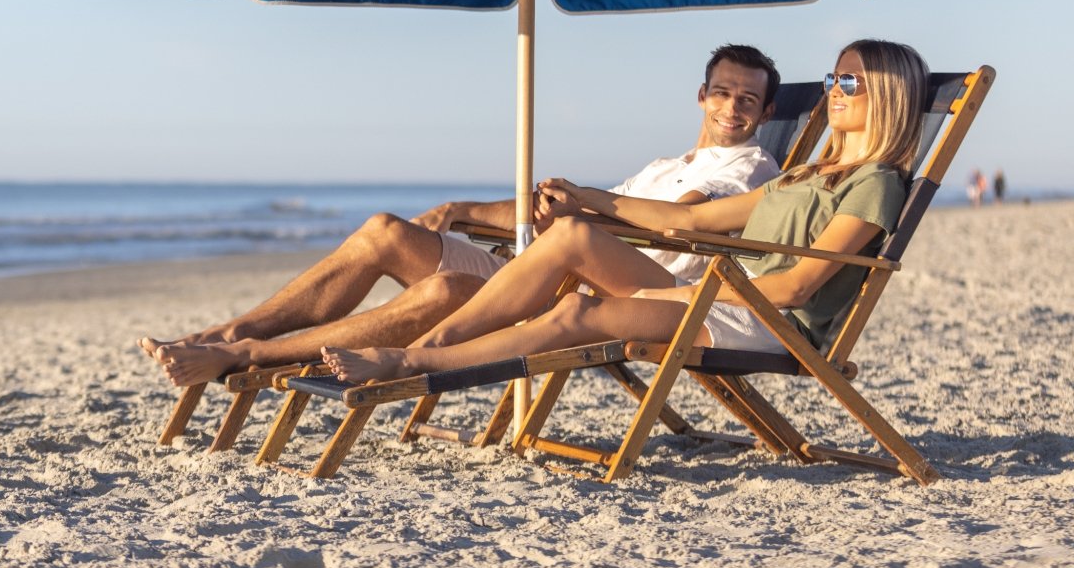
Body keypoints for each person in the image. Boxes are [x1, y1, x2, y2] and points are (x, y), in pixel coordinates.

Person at [144, 45, 785, 388]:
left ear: (764, 112)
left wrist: (585, 206)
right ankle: (230, 334)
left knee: (447, 290)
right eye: (723, 92)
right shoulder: (665, 163)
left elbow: (676, 222)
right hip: (547, 268)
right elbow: (584, 214)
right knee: (384, 231)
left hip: (615, 293)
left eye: (748, 100)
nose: (733, 108)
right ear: (702, 95)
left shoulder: (751, 168)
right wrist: (463, 211)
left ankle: (251, 354)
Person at [321, 39, 928, 384]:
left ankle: (413, 362)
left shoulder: (875, 184)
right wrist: (586, 196)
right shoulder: (805, 174)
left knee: (577, 312)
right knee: (572, 240)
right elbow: (689, 222)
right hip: (724, 295)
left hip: (766, 322)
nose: (833, 90)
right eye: (832, 78)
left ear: (889, 96)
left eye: (850, 83)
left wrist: (682, 294)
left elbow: (796, 288)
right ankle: (430, 347)